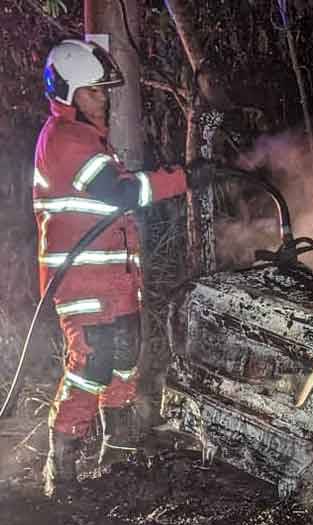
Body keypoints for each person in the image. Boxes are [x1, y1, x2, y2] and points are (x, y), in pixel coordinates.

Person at [34, 39, 215, 498]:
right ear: (69, 92)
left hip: (114, 279)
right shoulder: (65, 139)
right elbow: (118, 193)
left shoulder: (91, 140)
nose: (105, 98)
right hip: (80, 281)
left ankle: (117, 453)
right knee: (90, 366)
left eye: (104, 91)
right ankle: (64, 466)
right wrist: (184, 178)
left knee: (124, 360)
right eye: (95, 91)